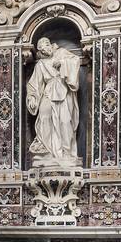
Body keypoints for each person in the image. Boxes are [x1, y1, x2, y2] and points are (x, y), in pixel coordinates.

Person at [26, 37, 80, 166]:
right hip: (48, 92)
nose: (45, 49)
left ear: (50, 45)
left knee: (65, 122)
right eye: (42, 49)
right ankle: (46, 152)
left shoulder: (62, 53)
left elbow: (76, 60)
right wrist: (32, 98)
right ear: (40, 51)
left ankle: (67, 154)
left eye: (46, 45)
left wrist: (62, 63)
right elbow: (34, 84)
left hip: (64, 90)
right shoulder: (40, 64)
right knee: (44, 117)